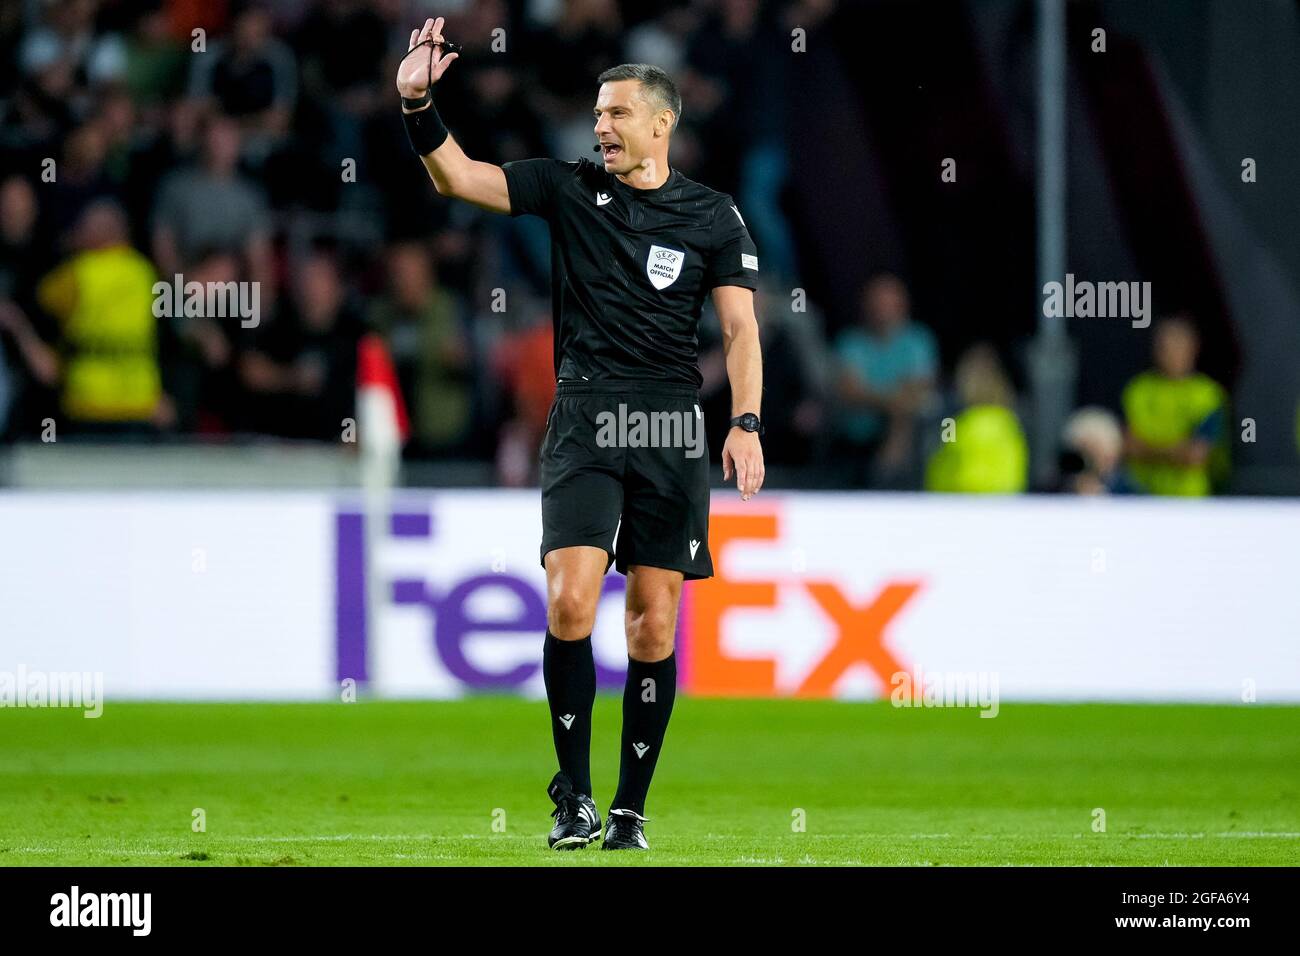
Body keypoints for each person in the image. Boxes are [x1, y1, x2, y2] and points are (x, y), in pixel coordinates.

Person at [396, 17, 764, 850]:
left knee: (652, 627)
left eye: (619, 113)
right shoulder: (568, 189)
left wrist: (743, 421)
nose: (601, 125)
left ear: (662, 124)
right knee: (568, 601)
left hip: (670, 424)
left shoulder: (712, 216)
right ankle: (574, 795)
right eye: (598, 112)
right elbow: (458, 178)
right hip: (586, 415)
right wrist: (418, 102)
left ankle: (631, 809)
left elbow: (741, 333)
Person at [833, 273, 938, 487]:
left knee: (907, 417)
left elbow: (919, 389)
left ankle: (887, 479)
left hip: (908, 431)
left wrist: (880, 397)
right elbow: (849, 391)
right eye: (877, 302)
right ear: (866, 304)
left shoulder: (917, 340)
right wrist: (891, 400)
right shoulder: (851, 341)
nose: (883, 309)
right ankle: (885, 481)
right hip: (857, 433)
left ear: (902, 304)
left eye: (889, 302)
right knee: (900, 412)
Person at [1121, 315, 1228, 496]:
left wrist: (1149, 449)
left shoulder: (1208, 395)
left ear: (1193, 349)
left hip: (1188, 498)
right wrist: (1176, 450)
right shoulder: (1138, 389)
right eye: (1165, 347)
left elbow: (1196, 454)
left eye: (1178, 347)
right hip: (1140, 493)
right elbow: (1128, 446)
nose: (1171, 354)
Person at [924, 343, 1027, 494]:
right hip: (998, 502)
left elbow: (942, 462)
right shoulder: (1010, 420)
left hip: (967, 501)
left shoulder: (952, 423)